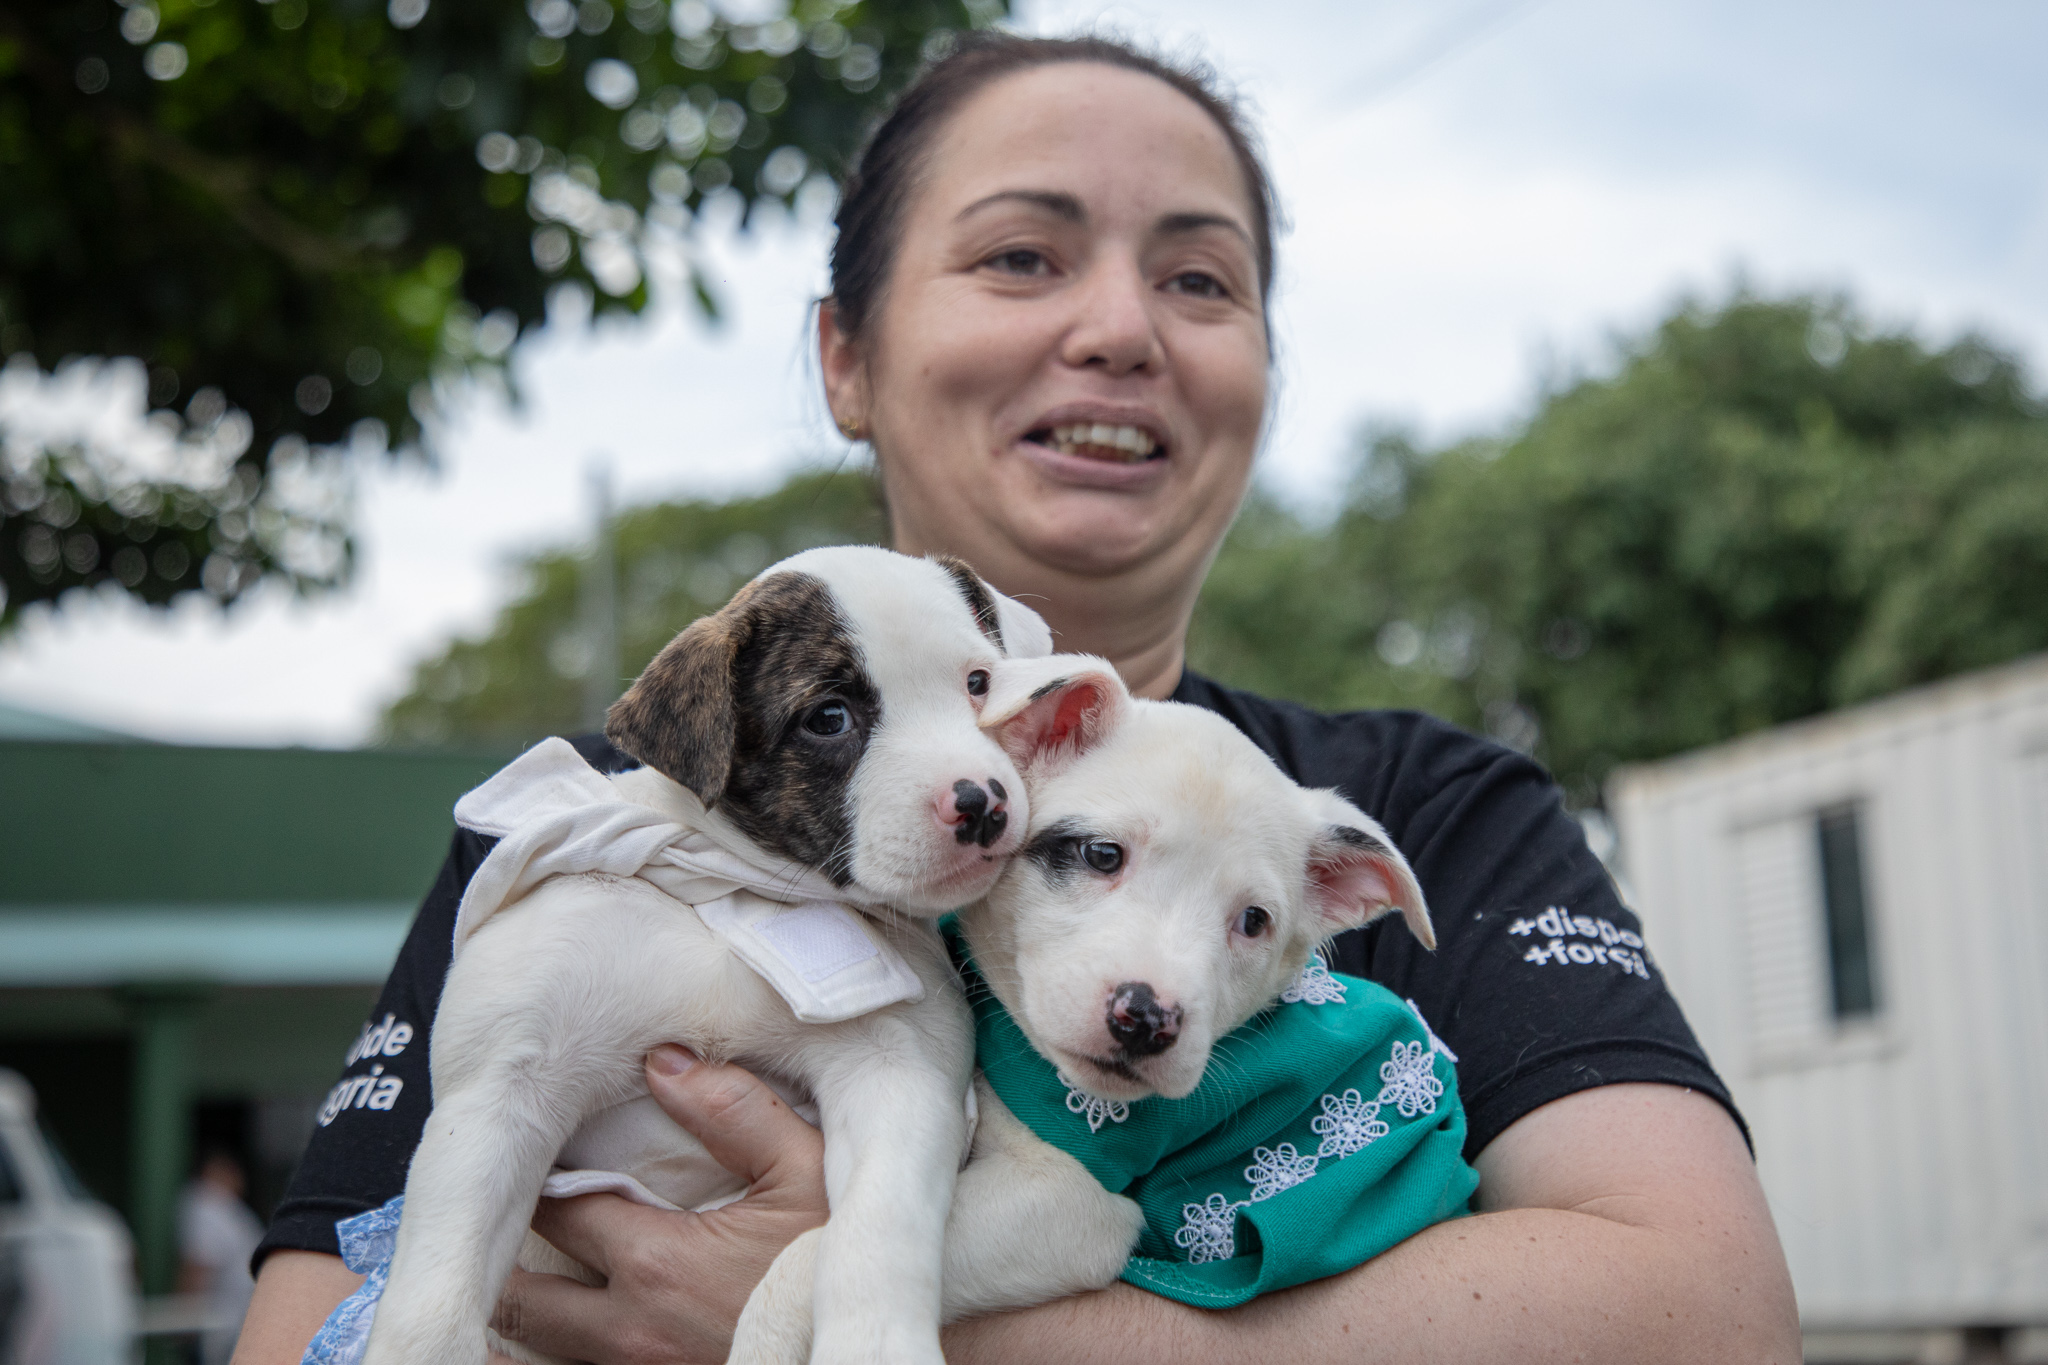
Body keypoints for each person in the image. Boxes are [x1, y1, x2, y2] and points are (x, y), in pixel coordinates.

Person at [233, 33, 1801, 1365]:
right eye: (1020, 256)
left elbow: (1710, 1313)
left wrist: (891, 1310)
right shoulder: (610, 823)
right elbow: (324, 1308)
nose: (1117, 329)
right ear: (845, 357)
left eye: (1200, 276)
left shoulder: (1433, 809)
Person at [180, 1147, 264, 1365]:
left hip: (241, 1321)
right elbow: (199, 1265)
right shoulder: (206, 1203)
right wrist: (186, 1320)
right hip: (222, 1325)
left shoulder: (226, 1206)